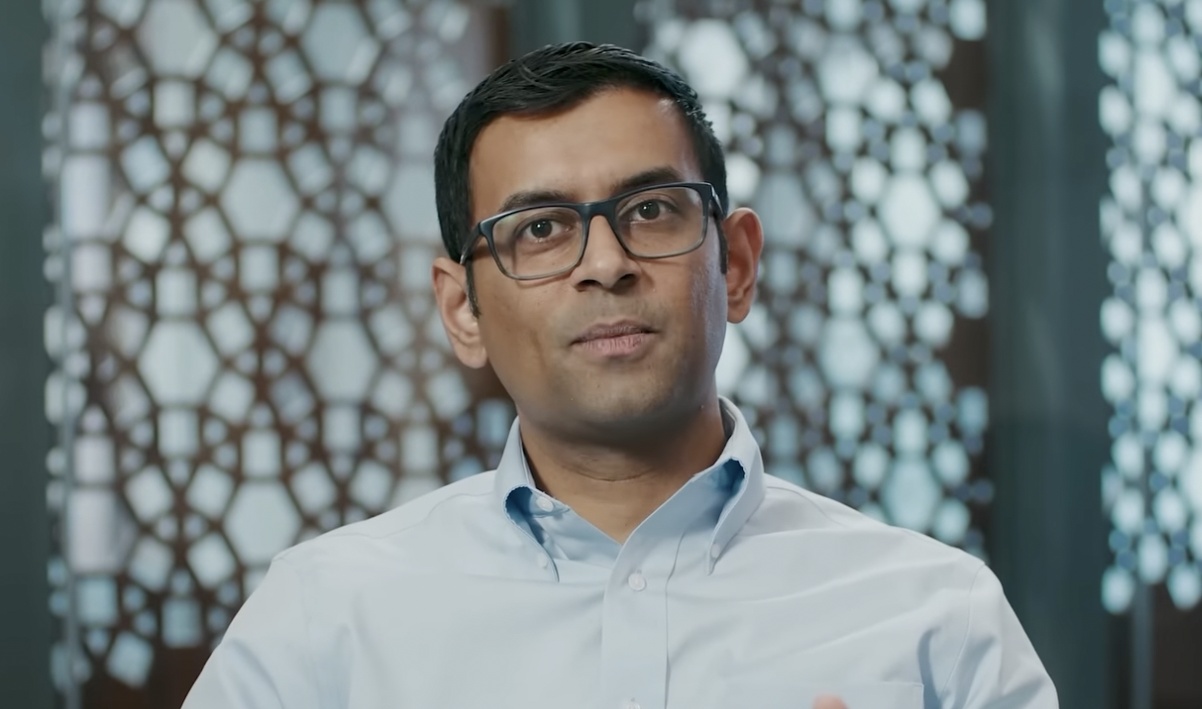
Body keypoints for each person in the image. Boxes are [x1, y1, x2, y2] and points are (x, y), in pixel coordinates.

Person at [182, 42, 1056, 709]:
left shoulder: (937, 620)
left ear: (738, 264)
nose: (605, 263)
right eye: (540, 229)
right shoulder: (322, 621)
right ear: (461, 309)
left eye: (650, 210)